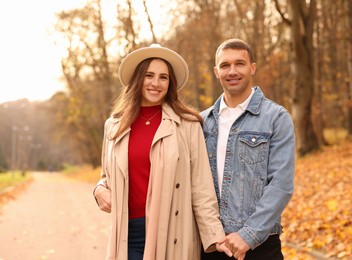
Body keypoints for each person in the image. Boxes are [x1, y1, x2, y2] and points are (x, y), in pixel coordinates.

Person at [93, 44, 232, 260]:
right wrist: (99, 189)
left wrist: (215, 236)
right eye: (149, 75)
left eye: (163, 77)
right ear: (138, 79)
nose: (156, 83)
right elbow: (106, 176)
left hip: (173, 232)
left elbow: (201, 186)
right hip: (127, 234)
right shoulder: (114, 126)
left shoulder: (187, 125)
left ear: (170, 83)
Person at [200, 38, 296, 260]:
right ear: (216, 71)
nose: (232, 71)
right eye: (225, 65)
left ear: (252, 67)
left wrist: (248, 235)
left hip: (260, 246)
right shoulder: (202, 122)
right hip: (211, 245)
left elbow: (281, 184)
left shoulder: (276, 117)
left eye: (239, 63)